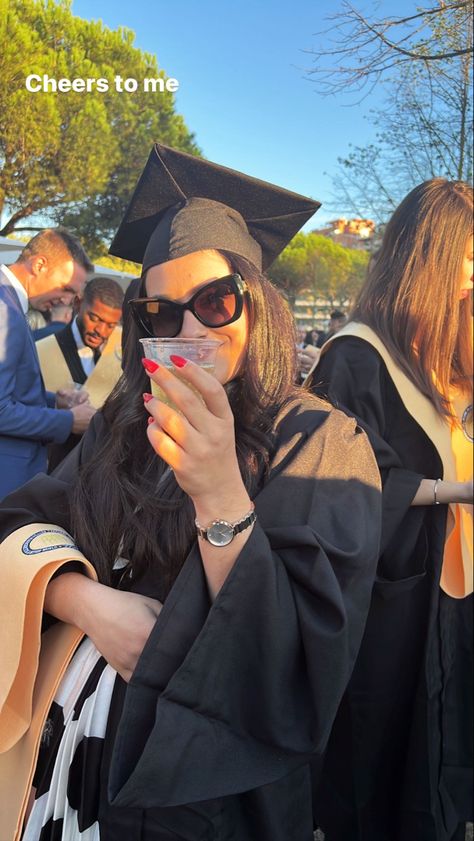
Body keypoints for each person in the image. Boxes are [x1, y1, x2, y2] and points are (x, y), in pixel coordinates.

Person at [0, 144, 382, 841]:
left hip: (213, 805)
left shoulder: (321, 442)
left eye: (215, 301)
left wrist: (220, 496)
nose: (190, 332)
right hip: (68, 769)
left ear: (258, 305)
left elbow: (301, 670)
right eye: (160, 312)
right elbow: (20, 520)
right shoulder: (123, 423)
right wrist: (85, 600)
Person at [307, 178, 473, 841]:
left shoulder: (441, 350)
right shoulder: (354, 355)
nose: (473, 272)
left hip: (449, 592)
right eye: (467, 255)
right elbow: (339, 485)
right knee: (383, 763)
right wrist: (450, 491)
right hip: (387, 607)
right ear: (430, 254)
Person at [0, 228, 97, 500]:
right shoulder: (4, 308)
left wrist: (55, 401)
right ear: (39, 264)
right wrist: (68, 421)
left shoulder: (10, 304)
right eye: (66, 289)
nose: (66, 301)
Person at [36, 276, 124, 469]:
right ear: (78, 303)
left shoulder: (122, 351)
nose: (101, 331)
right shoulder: (40, 351)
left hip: (102, 469)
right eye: (94, 318)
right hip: (53, 468)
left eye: (110, 325)